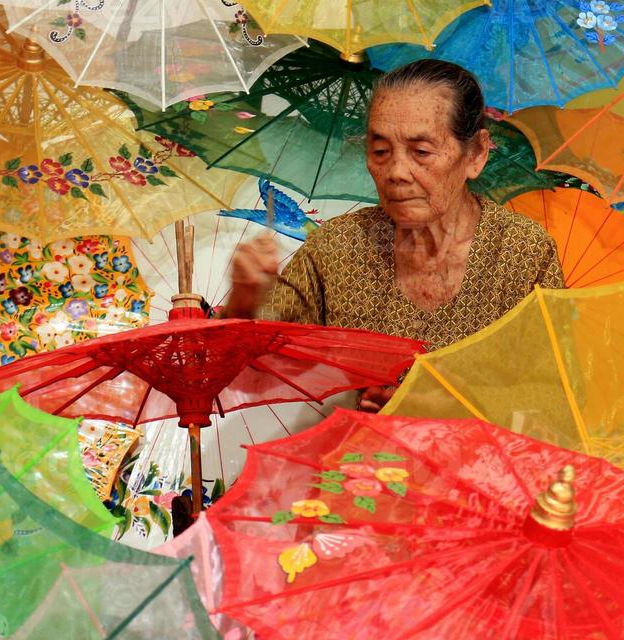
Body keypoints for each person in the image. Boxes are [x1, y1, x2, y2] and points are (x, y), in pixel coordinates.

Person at [219, 59, 565, 411]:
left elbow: (555, 395)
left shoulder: (522, 253)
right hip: (368, 460)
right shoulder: (339, 248)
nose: (396, 172)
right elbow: (256, 368)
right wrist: (244, 302)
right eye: (381, 151)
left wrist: (433, 406)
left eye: (421, 152)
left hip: (485, 462)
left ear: (475, 154)